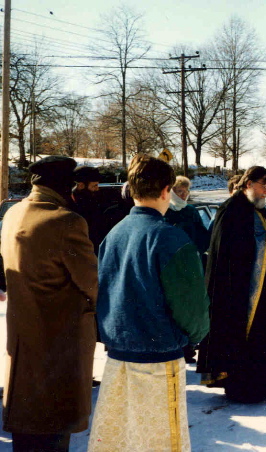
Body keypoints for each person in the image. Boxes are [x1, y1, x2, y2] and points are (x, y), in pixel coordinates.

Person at [88, 154, 209, 451]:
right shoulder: (170, 238)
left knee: (121, 437)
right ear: (167, 190)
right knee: (160, 439)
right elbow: (192, 309)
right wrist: (195, 335)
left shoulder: (114, 234)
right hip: (158, 358)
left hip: (117, 356)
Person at [1, 156, 97, 451]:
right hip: (59, 344)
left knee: (27, 432)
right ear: (65, 185)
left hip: (23, 338)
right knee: (54, 432)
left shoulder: (13, 214)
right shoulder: (66, 221)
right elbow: (91, 283)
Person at [196, 166, 266, 403]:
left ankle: (262, 383)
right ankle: (241, 387)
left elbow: (261, 237)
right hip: (236, 292)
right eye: (264, 186)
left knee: (259, 338)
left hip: (259, 289)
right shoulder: (231, 209)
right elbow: (231, 249)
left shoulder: (256, 210)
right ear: (248, 184)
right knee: (241, 339)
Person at [164, 175, 212, 363]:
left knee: (190, 304)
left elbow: (202, 236)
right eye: (179, 191)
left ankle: (189, 347)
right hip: (172, 266)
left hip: (192, 263)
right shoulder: (165, 211)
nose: (183, 195)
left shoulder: (190, 211)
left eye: (186, 191)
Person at [72, 165, 102, 254]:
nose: (97, 189)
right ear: (81, 185)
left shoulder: (92, 202)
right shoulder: (70, 206)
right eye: (94, 186)